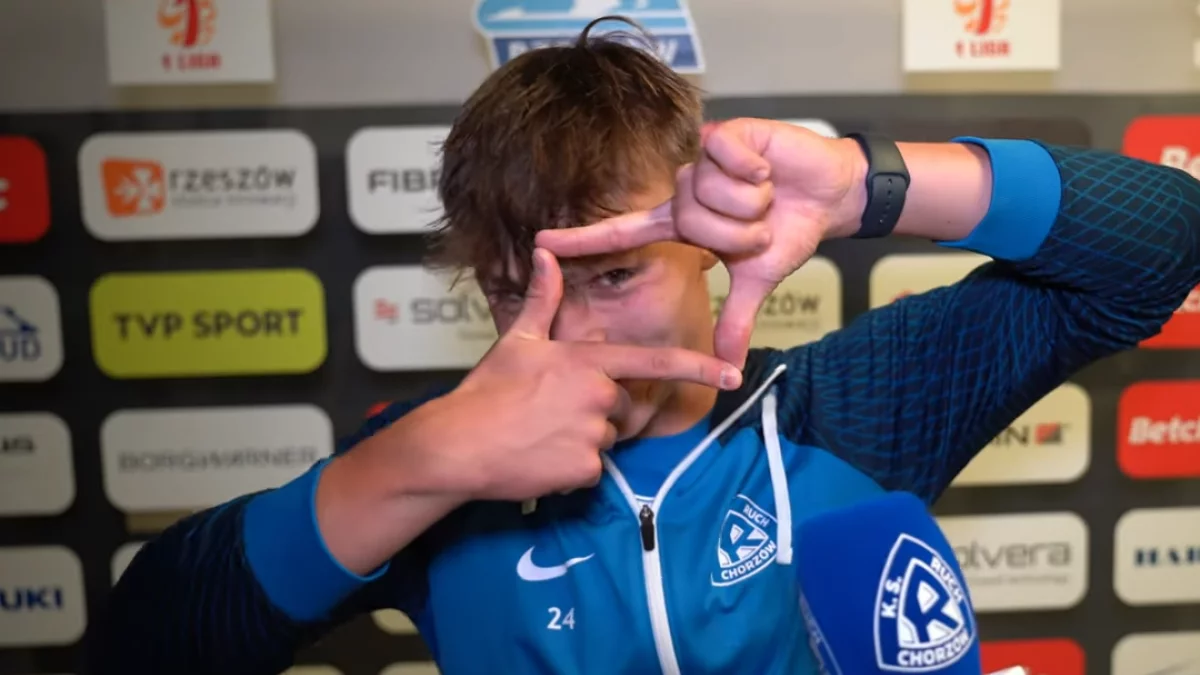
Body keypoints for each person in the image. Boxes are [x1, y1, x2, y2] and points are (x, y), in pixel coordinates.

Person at [88, 18, 1200, 675]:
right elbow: (141, 648)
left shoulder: (848, 409)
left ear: (710, 246)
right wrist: (417, 464)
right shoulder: (440, 462)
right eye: (517, 291)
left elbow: (1165, 243)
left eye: (612, 274)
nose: (570, 335)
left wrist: (868, 184)